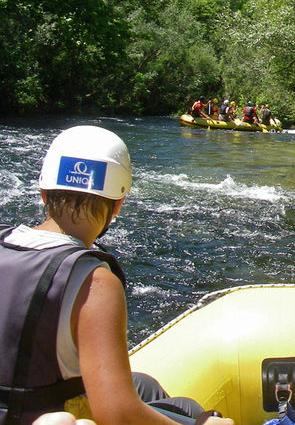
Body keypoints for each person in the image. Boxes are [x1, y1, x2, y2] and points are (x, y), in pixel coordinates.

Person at [0, 125, 234, 425]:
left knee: (145, 385)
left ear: (43, 192)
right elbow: (116, 414)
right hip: (34, 416)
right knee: (197, 415)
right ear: (118, 205)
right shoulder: (93, 281)